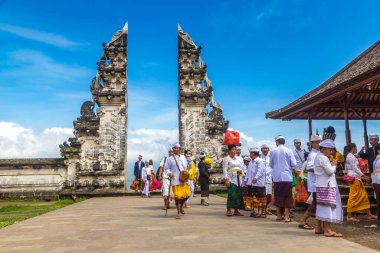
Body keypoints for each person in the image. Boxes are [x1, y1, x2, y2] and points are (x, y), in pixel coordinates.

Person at [314, 139, 344, 238]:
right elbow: (330, 171)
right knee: (328, 206)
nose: (330, 152)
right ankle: (327, 230)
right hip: (327, 185)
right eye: (330, 150)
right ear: (324, 149)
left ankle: (319, 228)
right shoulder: (323, 158)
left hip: (321, 184)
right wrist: (334, 165)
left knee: (322, 206)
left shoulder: (319, 156)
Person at [344, 143, 376, 222]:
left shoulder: (349, 156)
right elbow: (355, 169)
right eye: (356, 147)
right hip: (354, 178)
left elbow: (348, 168)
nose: (357, 149)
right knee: (353, 196)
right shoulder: (351, 156)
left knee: (364, 195)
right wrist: (364, 176)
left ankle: (369, 214)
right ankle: (349, 216)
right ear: (353, 148)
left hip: (356, 178)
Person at [269, 135, 297, 222]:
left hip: (277, 177)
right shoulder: (289, 150)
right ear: (284, 142)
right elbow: (294, 163)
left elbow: (271, 164)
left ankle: (278, 215)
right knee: (287, 197)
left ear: (277, 142)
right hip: (287, 177)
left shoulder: (273, 151)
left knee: (278, 196)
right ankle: (286, 217)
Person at [298, 134, 322, 231]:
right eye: (316, 142)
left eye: (319, 142)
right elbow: (310, 168)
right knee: (316, 203)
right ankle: (303, 220)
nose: (318, 144)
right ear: (311, 144)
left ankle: (318, 226)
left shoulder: (319, 153)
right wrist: (322, 170)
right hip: (316, 182)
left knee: (318, 203)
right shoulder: (313, 154)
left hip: (319, 182)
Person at [165, 143, 191, 219]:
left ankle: (181, 206)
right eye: (174, 148)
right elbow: (167, 168)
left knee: (187, 195)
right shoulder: (169, 159)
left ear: (179, 149)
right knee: (178, 197)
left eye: (177, 148)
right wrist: (169, 173)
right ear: (172, 149)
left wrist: (189, 159)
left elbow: (187, 166)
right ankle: (178, 212)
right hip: (175, 179)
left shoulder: (183, 157)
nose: (176, 149)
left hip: (183, 179)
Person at [223, 145, 245, 216]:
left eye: (235, 149)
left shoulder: (239, 159)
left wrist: (242, 174)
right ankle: (228, 209)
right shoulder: (226, 159)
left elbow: (242, 168)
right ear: (229, 150)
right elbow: (225, 169)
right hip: (231, 178)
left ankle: (236, 210)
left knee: (238, 194)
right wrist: (226, 179)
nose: (234, 151)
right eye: (233, 149)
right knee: (231, 194)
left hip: (238, 178)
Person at [246, 147, 267, 218]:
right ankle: (253, 211)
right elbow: (248, 172)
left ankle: (261, 212)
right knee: (252, 198)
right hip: (251, 183)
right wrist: (246, 179)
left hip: (259, 183)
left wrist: (256, 177)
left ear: (253, 154)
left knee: (260, 198)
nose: (249, 155)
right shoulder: (251, 162)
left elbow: (260, 171)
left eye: (250, 153)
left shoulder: (260, 161)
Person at [260, 144, 273, 215]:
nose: (265, 150)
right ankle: (262, 210)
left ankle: (265, 209)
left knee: (268, 197)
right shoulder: (259, 158)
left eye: (266, 148)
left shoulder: (270, 158)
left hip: (268, 180)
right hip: (261, 180)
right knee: (262, 196)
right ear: (261, 150)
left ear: (268, 149)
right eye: (263, 148)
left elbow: (272, 168)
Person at [372, 145, 380, 220]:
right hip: (378, 180)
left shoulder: (376, 159)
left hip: (376, 180)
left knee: (378, 198)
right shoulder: (378, 159)